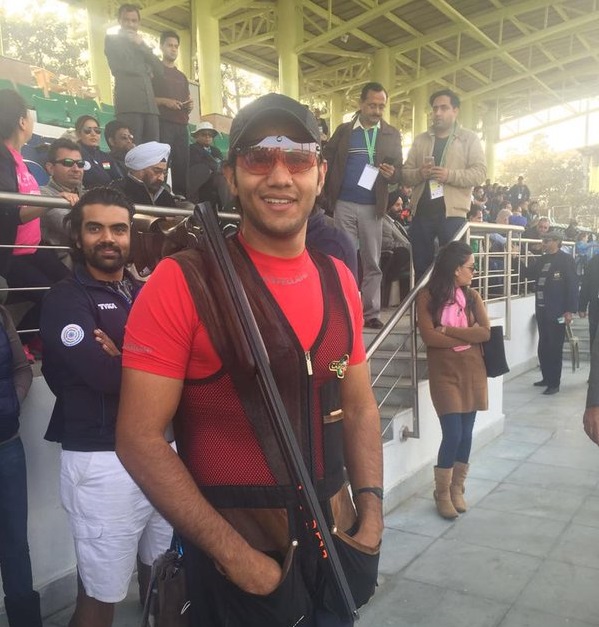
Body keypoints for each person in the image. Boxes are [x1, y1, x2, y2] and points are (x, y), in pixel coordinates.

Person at [116, 93, 383, 627]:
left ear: (320, 174)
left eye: (298, 157)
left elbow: (359, 407)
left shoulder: (339, 278)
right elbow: (138, 439)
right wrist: (239, 560)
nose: (279, 175)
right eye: (259, 157)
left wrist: (372, 513)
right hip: (238, 569)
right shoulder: (182, 281)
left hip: (337, 547)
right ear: (232, 177)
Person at [39, 187, 172, 627]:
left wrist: (125, 355)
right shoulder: (66, 298)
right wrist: (151, 362)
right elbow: (103, 376)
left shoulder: (140, 291)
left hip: (160, 452)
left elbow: (184, 362)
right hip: (102, 460)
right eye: (95, 228)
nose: (109, 238)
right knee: (99, 598)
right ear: (77, 236)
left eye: (119, 228)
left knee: (166, 577)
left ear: (131, 235)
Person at [416, 241, 490, 519]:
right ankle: (442, 493)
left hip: (472, 372)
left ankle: (457, 488)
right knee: (453, 433)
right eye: (471, 267)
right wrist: (465, 335)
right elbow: (429, 337)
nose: (474, 271)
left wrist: (447, 330)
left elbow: (485, 333)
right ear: (456, 269)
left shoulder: (472, 296)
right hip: (444, 374)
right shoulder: (427, 297)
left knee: (466, 434)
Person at [324, 81, 403, 329]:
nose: (377, 111)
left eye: (381, 106)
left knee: (372, 260)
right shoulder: (344, 131)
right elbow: (326, 160)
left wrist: (393, 174)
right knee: (343, 257)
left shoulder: (391, 134)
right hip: (344, 203)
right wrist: (325, 197)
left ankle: (370, 313)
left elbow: (399, 171)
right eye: (372, 105)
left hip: (373, 206)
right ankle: (345, 309)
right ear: (361, 104)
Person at [0, 89, 69, 358]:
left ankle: (38, 338)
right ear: (21, 121)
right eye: (29, 116)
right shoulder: (2, 159)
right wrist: (54, 201)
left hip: (33, 247)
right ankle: (19, 343)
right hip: (11, 253)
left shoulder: (18, 159)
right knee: (52, 295)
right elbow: (11, 213)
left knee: (72, 285)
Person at [402, 89, 487, 280]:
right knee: (421, 269)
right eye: (435, 109)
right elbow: (405, 174)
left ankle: (452, 301)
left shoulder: (469, 138)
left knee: (454, 270)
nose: (438, 113)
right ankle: (424, 301)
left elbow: (480, 173)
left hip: (453, 214)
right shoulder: (420, 139)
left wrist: (449, 175)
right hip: (421, 213)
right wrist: (420, 173)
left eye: (444, 108)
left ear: (455, 111)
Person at [0, 305, 41, 627]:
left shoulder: (1, 314)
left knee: (15, 545)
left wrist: (13, 400)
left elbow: (21, 368)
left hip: (7, 447)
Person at [527, 229, 577, 395]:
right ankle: (546, 377)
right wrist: (514, 258)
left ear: (556, 241)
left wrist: (569, 310)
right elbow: (527, 273)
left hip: (558, 312)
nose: (544, 243)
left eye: (547, 241)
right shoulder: (542, 259)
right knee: (543, 346)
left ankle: (554, 383)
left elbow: (572, 285)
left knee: (555, 347)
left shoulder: (566, 260)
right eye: (543, 240)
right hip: (542, 310)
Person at [104, 3, 163, 144]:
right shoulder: (112, 40)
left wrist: (142, 45)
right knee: (131, 149)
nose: (130, 24)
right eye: (126, 20)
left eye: (134, 21)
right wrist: (147, 69)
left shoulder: (141, 44)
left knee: (153, 150)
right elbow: (122, 67)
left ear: (138, 23)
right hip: (129, 105)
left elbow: (160, 70)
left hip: (150, 107)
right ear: (119, 21)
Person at [152, 30, 193, 197]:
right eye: (170, 45)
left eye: (176, 46)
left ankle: (181, 198)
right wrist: (165, 101)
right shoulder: (154, 71)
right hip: (163, 123)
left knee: (182, 164)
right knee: (162, 164)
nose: (173, 49)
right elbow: (146, 99)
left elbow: (187, 99)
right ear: (161, 47)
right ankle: (159, 196)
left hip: (182, 124)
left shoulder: (182, 76)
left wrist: (189, 106)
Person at [40, 137, 84, 267]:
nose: (76, 169)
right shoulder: (43, 195)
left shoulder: (88, 195)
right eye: (68, 163)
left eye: (80, 164)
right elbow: (73, 228)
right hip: (62, 265)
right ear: (50, 168)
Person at [112, 141, 177, 207]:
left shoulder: (165, 196)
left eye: (164, 173)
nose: (162, 178)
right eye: (156, 171)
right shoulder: (116, 192)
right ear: (139, 168)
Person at [188, 121, 231, 208]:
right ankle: (226, 208)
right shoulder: (192, 149)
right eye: (204, 134)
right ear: (197, 136)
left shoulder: (216, 150)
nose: (207, 137)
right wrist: (214, 165)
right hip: (201, 182)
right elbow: (200, 166)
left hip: (215, 178)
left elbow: (220, 164)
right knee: (221, 179)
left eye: (210, 135)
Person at [75, 115, 122, 188]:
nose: (93, 134)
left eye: (97, 130)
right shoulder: (74, 155)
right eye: (87, 130)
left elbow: (118, 179)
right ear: (78, 134)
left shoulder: (105, 157)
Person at [578, 250, 599, 347]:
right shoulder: (594, 261)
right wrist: (582, 306)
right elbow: (586, 285)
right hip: (596, 304)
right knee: (594, 337)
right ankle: (594, 356)